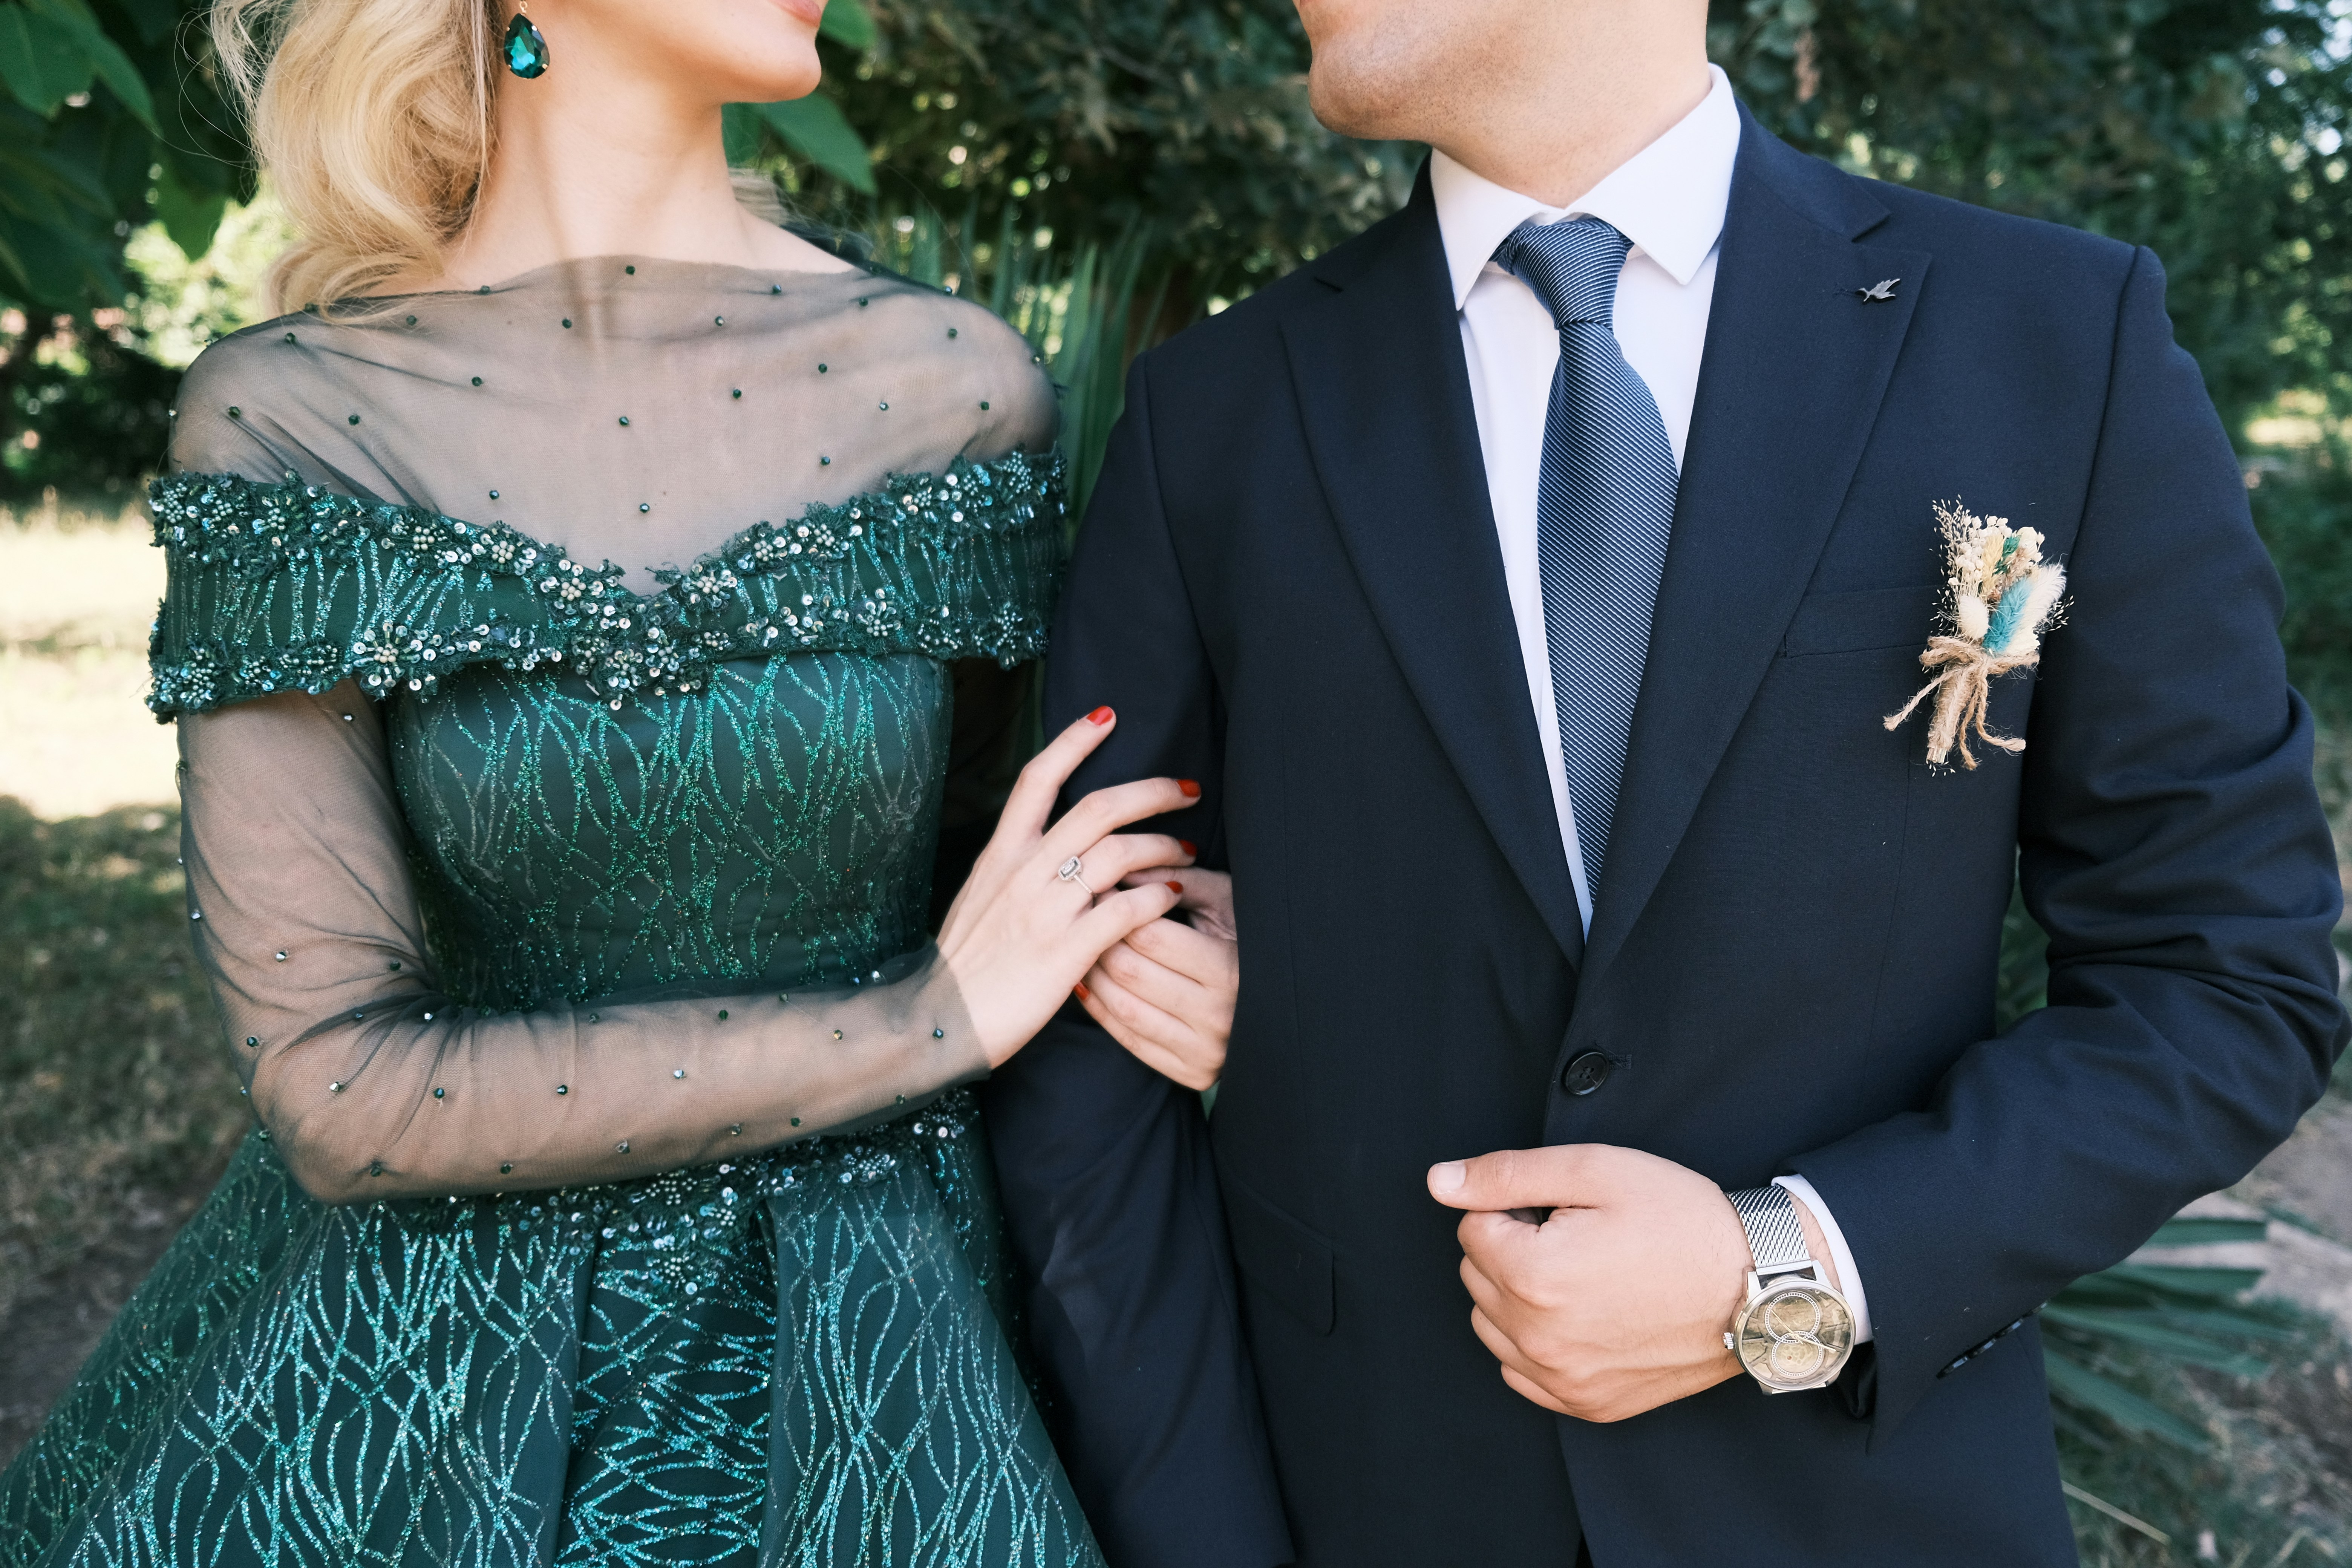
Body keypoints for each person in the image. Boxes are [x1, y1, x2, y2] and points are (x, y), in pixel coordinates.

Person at [980, 1, 2352, 1564]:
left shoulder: (2051, 338)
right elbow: (1085, 1049)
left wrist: (1788, 1263)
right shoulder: (1214, 413)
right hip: (1373, 1500)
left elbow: (2225, 978)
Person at [0, 0, 1242, 1560]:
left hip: (884, 1347)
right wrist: (924, 1022)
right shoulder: (295, 416)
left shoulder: (954, 388)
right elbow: (335, 1085)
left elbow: (1008, 866)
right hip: (436, 1383)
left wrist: (1196, 944)